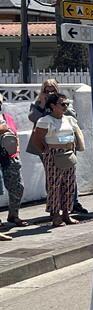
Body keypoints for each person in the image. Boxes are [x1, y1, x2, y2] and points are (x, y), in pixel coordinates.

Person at [29, 93, 85, 228]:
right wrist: (47, 151)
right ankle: (55, 215)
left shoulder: (69, 120)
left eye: (67, 104)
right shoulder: (45, 120)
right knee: (55, 185)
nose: (65, 106)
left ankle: (66, 213)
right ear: (53, 106)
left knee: (69, 184)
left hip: (68, 153)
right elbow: (37, 140)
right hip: (54, 154)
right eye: (62, 104)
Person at [0, 92, 26, 228]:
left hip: (10, 156)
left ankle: (13, 215)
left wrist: (16, 152)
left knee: (18, 187)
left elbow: (14, 136)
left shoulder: (7, 118)